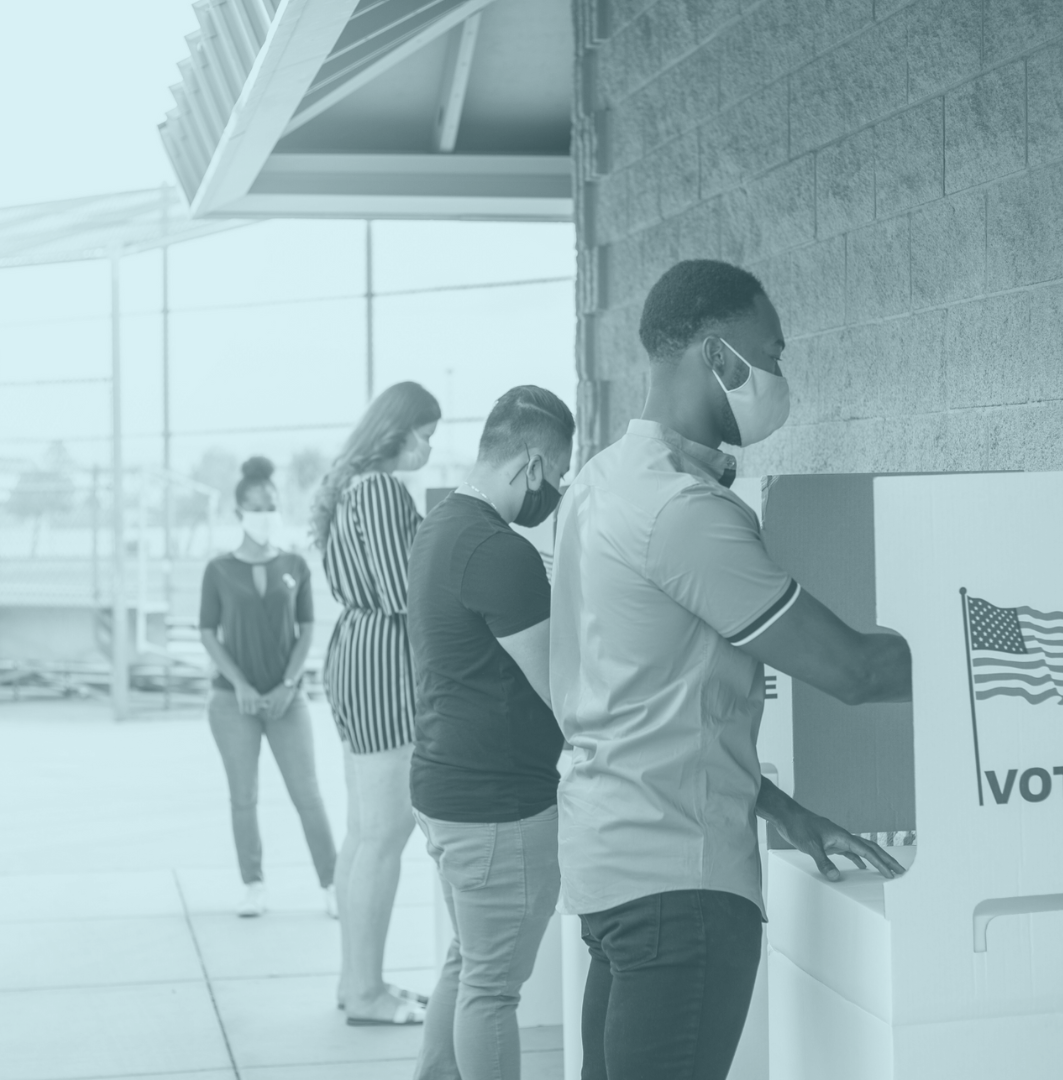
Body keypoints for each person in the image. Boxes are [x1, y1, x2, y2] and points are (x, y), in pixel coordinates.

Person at [550, 260, 914, 1080]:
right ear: (719, 356)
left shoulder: (598, 486)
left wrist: (783, 809)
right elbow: (851, 670)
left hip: (613, 867)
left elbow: (638, 702)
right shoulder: (684, 512)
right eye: (773, 355)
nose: (781, 377)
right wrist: (968, 657)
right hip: (680, 889)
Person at [407, 386, 575, 1080]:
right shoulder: (497, 552)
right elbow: (563, 689)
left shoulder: (439, 527)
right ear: (533, 464)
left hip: (447, 790)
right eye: (558, 473)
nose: (557, 490)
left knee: (469, 963)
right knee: (493, 988)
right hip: (498, 808)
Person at [310, 381, 441, 1026]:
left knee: (364, 833)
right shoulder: (383, 490)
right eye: (426, 433)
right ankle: (366, 992)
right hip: (386, 660)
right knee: (384, 835)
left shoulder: (349, 489)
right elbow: (402, 592)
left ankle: (356, 981)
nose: (429, 447)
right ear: (399, 430)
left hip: (356, 654)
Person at [199, 456, 337, 918]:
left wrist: (287, 684)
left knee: (307, 792)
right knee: (244, 796)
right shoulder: (217, 570)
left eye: (271, 506)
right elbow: (208, 633)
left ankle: (332, 883)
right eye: (256, 507)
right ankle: (253, 885)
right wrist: (238, 685)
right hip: (230, 702)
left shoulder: (295, 564)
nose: (266, 514)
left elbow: (306, 628)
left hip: (287, 699)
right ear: (239, 512)